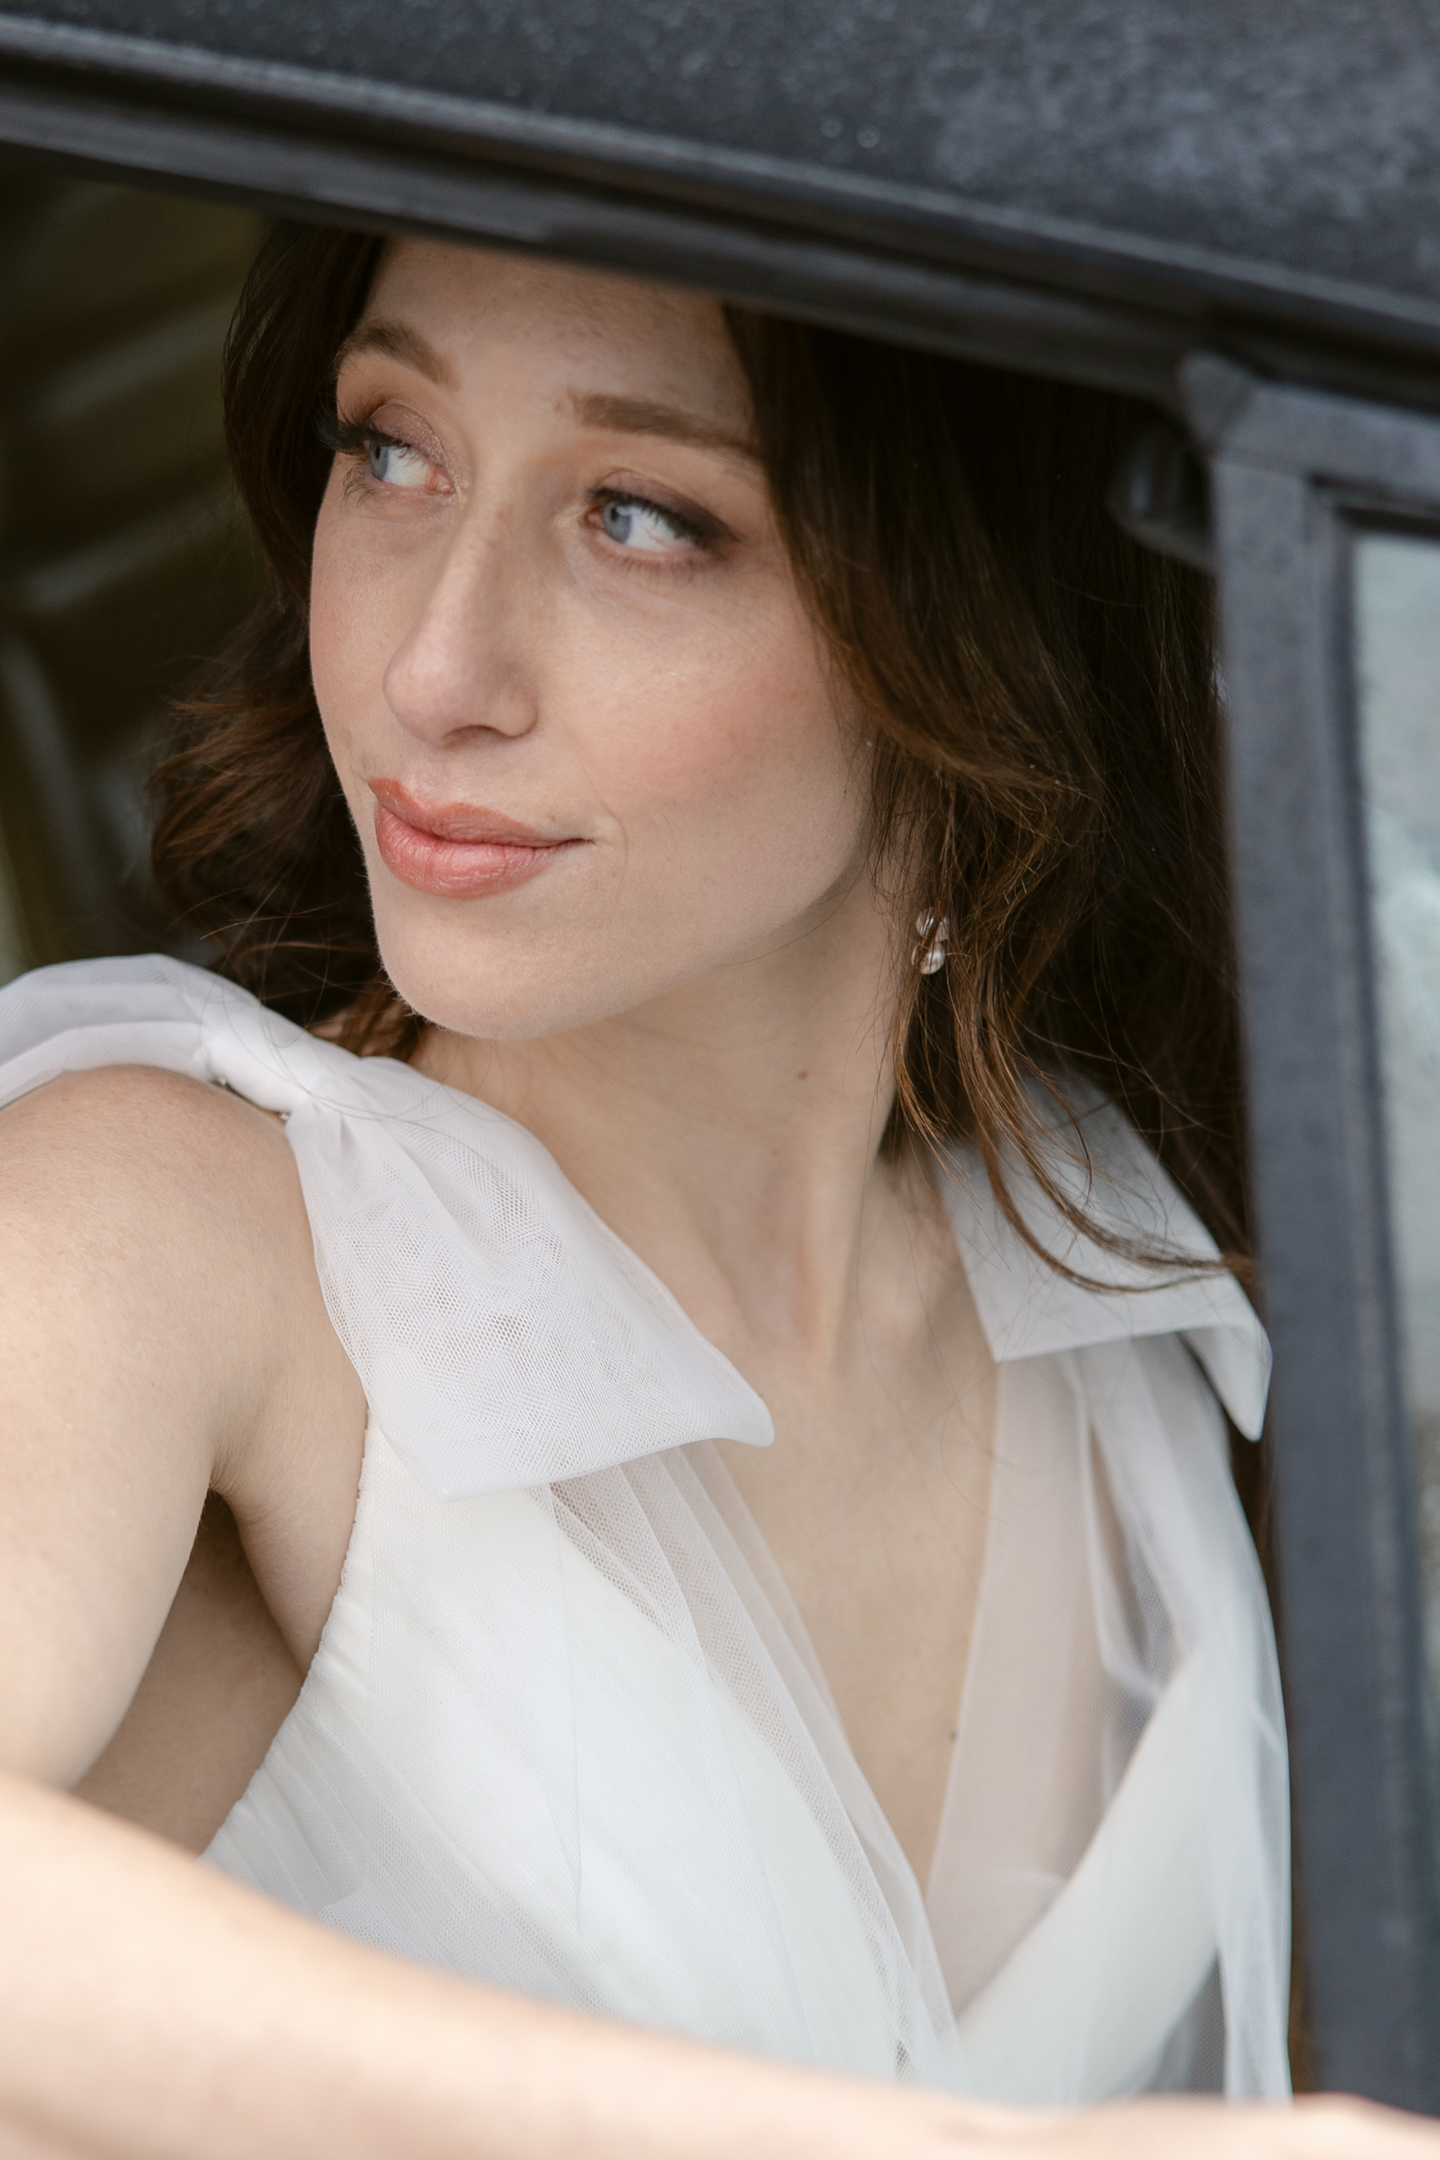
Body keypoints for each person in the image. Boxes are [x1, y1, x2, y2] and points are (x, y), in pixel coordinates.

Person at [0, 222, 1433, 2158]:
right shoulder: (156, 1216)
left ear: (972, 621)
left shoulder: (1164, 1267)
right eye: (390, 449)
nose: (433, 669)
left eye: (642, 518)